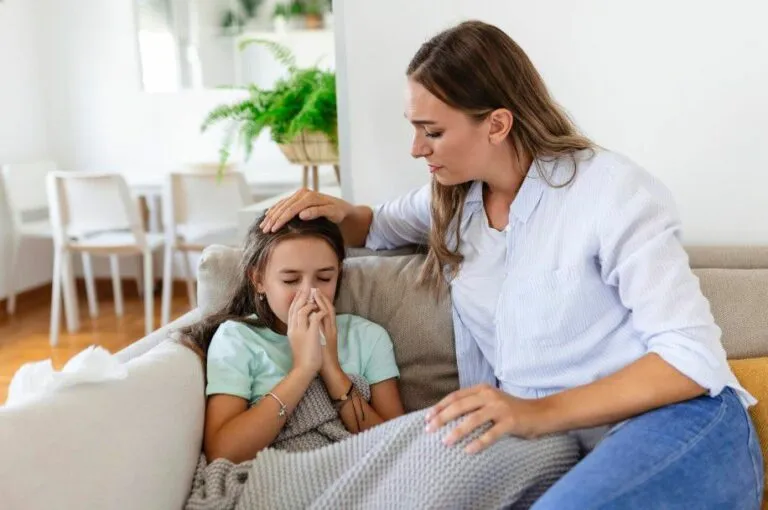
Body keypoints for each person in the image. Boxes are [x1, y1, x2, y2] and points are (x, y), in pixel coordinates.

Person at [258, 19, 764, 509]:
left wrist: (533, 413)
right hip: (552, 441)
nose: (416, 149)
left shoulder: (611, 191)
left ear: (497, 124)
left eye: (431, 131)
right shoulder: (453, 202)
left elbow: (690, 359)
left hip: (672, 422)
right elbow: (374, 226)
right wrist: (326, 211)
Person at [182, 215, 405, 464]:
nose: (309, 294)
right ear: (258, 280)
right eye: (290, 280)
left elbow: (399, 443)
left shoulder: (369, 337)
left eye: (324, 278)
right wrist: (303, 369)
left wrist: (331, 368)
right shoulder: (236, 339)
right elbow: (224, 452)